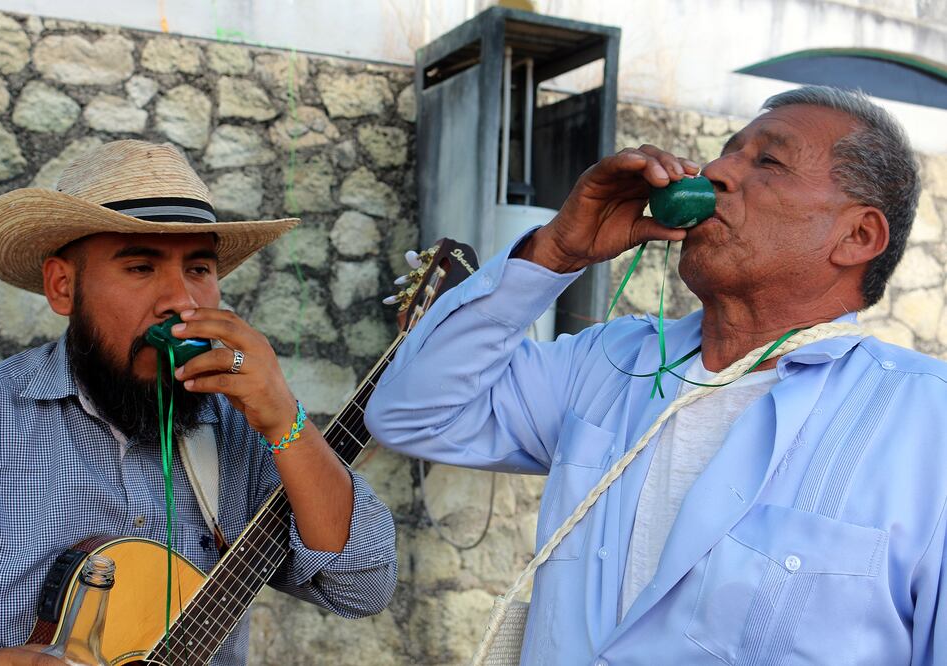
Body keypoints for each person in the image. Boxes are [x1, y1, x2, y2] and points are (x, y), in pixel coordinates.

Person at [365, 85, 947, 664]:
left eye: (768, 161)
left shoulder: (927, 426)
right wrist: (555, 253)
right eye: (727, 151)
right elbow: (413, 415)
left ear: (857, 236)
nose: (716, 170)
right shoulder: (610, 362)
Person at [0, 140, 397, 665]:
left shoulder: (245, 424)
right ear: (63, 287)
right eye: (140, 267)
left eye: (199, 269)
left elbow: (362, 588)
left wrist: (288, 422)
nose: (182, 300)